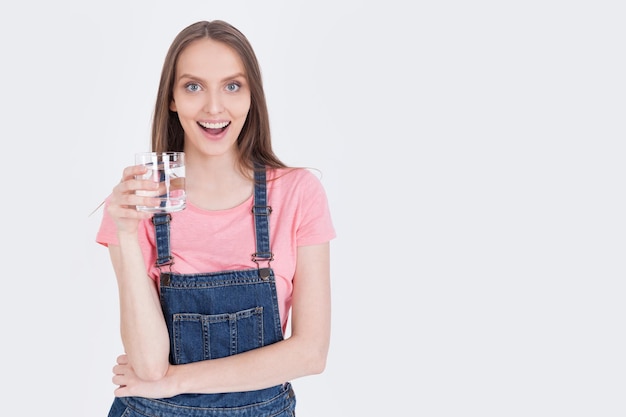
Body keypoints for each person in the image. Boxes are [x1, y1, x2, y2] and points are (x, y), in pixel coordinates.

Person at [96, 20, 335, 417]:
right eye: (193, 86)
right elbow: (150, 366)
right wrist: (124, 231)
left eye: (232, 85)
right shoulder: (137, 203)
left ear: (251, 96)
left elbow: (311, 353)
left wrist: (178, 381)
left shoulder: (297, 194)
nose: (213, 107)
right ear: (171, 98)